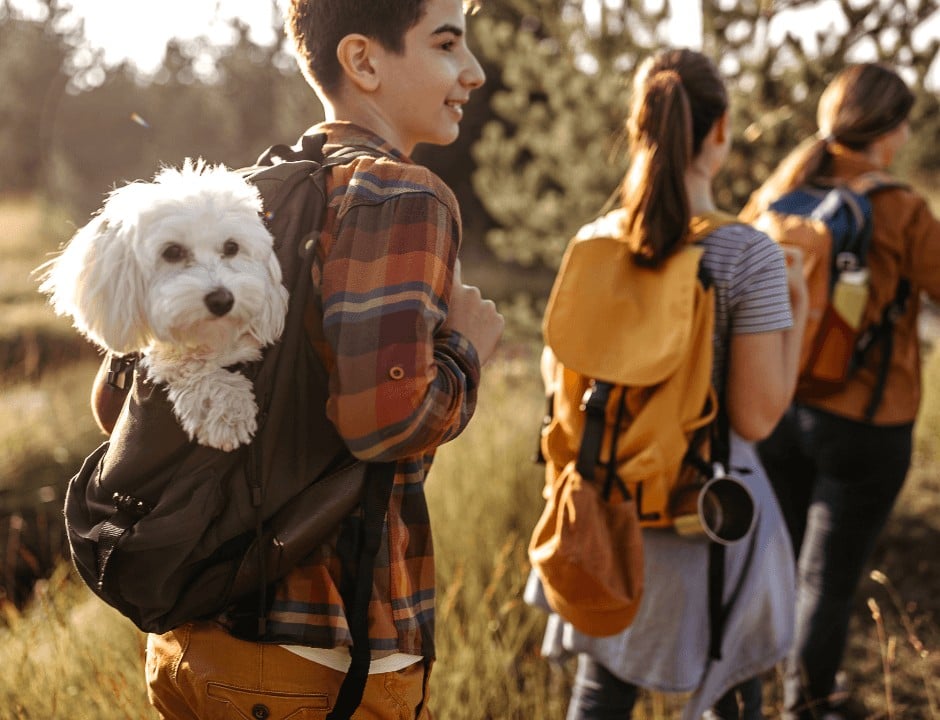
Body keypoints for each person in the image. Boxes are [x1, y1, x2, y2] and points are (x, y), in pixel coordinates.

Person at [91, 1, 503, 718]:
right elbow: (382, 423)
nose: (472, 72)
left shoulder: (246, 194)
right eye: (446, 45)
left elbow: (116, 396)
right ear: (363, 61)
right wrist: (467, 351)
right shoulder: (404, 192)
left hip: (194, 638)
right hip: (321, 656)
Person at [525, 48, 809, 720]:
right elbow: (757, 417)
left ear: (639, 125)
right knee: (734, 695)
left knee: (600, 694)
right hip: (707, 517)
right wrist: (798, 310)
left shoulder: (594, 240)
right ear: (720, 129)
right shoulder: (748, 254)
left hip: (600, 513)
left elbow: (555, 373)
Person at [742, 63, 940, 720]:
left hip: (774, 406)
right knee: (826, 580)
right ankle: (811, 701)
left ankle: (742, 694)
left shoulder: (780, 192)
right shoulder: (902, 210)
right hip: (866, 420)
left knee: (776, 566)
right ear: (891, 129)